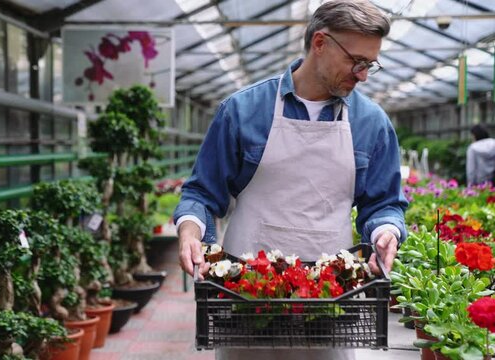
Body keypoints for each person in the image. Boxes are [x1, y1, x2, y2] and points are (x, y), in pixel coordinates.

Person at [174, 1, 408, 359]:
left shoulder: (372, 124)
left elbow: (383, 203)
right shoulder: (242, 110)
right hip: (245, 288)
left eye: (370, 65)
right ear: (320, 43)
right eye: (356, 61)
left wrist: (384, 232)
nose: (362, 74)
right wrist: (191, 230)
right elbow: (203, 193)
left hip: (332, 292)